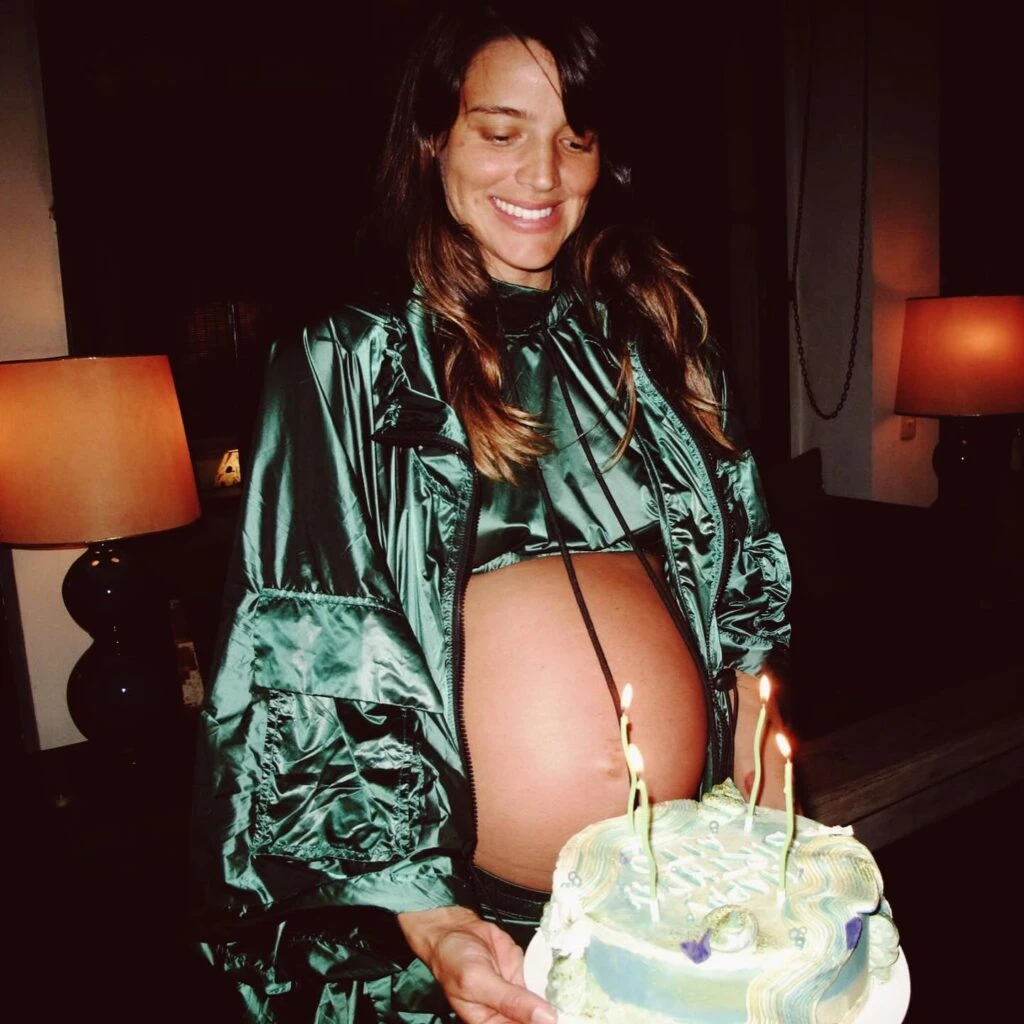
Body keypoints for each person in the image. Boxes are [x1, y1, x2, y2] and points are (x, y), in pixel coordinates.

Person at [191, 4, 792, 1022]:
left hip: (686, 888)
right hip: (484, 924)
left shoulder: (655, 339)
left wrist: (760, 808)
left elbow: (741, 590)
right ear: (434, 136)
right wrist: (433, 923)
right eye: (502, 132)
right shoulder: (348, 365)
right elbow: (313, 659)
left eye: (574, 139)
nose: (542, 176)